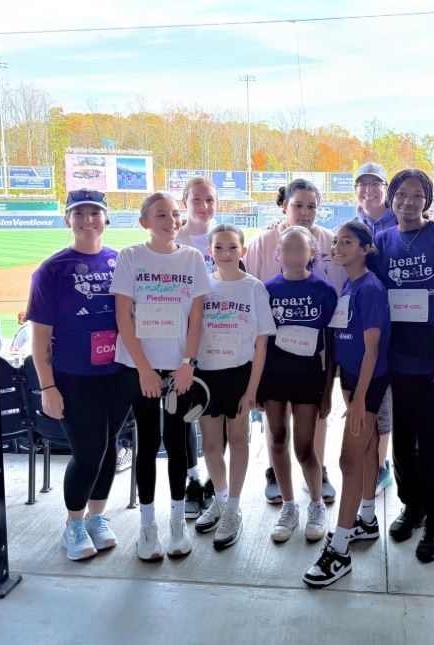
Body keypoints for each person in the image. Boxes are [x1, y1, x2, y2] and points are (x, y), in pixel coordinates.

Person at [27, 189, 138, 562]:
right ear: (67, 220)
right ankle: (73, 524)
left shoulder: (121, 261)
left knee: (109, 447)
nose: (88, 220)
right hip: (74, 376)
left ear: (106, 218)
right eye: (79, 213)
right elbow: (40, 335)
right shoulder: (52, 270)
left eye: (95, 212)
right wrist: (48, 386)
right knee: (88, 452)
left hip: (118, 373)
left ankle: (96, 517)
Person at [111, 191, 212, 561]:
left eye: (174, 214)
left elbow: (197, 318)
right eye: (161, 215)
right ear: (145, 222)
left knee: (178, 442)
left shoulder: (192, 258)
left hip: (179, 369)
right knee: (148, 442)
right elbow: (123, 318)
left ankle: (177, 523)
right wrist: (144, 370)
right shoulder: (130, 256)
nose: (171, 221)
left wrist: (188, 363)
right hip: (141, 368)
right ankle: (147, 526)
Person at [373, 169, 434, 563]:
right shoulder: (382, 241)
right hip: (397, 359)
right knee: (402, 440)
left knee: (433, 441)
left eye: (416, 195)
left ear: (427, 200)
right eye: (401, 194)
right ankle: (411, 506)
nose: (408, 202)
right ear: (391, 198)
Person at [245, 178, 347, 505]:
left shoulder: (330, 241)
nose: (304, 212)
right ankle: (276, 475)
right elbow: (252, 293)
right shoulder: (263, 244)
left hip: (313, 359)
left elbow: (339, 296)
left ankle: (317, 471)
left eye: (311, 206)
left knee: (311, 424)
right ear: (283, 207)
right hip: (274, 358)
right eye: (297, 205)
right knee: (277, 426)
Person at [303, 221, 391, 587]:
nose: (338, 247)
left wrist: (358, 402)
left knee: (348, 461)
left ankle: (339, 551)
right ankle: (366, 519)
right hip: (351, 380)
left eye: (348, 242)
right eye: (337, 241)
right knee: (366, 451)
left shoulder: (370, 288)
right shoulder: (348, 285)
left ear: (366, 249)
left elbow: (372, 350)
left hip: (366, 385)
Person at [194, 224, 275, 550]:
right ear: (209, 251)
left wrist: (252, 390)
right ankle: (221, 499)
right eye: (219, 247)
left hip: (240, 375)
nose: (225, 253)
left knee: (239, 439)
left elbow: (261, 345)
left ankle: (234, 509)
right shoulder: (202, 286)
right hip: (206, 375)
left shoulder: (254, 288)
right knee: (211, 444)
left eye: (232, 247)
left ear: (243, 251)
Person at [259, 226, 337, 543]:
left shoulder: (324, 290)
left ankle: (316, 506)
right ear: (278, 253)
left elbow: (331, 345)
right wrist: (257, 387)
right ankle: (289, 507)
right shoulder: (267, 290)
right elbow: (260, 342)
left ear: (312, 253)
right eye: (287, 248)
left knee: (305, 447)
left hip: (308, 377)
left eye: (300, 248)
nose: (293, 254)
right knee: (278, 439)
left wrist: (328, 392)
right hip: (274, 377)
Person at [352, 162, 397, 495]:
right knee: (366, 397)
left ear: (385, 189)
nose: (368, 190)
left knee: (386, 398)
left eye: (375, 184)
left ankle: (382, 463)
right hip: (362, 323)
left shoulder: (399, 221)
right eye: (362, 184)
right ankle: (370, 460)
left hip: (398, 321)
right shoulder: (353, 226)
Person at [176, 177, 219, 519]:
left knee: (217, 415)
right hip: (180, 339)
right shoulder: (174, 239)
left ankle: (216, 482)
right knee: (185, 412)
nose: (204, 207)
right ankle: (192, 479)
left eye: (210, 200)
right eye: (197, 200)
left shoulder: (226, 236)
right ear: (185, 202)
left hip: (219, 339)